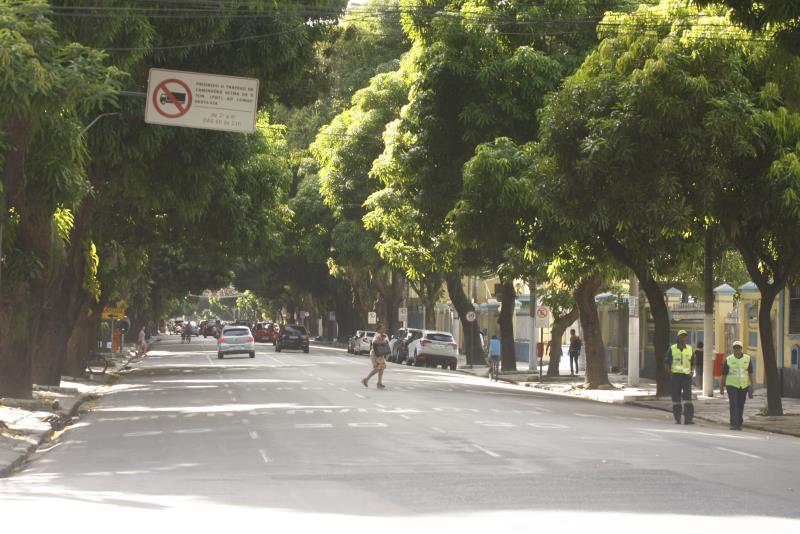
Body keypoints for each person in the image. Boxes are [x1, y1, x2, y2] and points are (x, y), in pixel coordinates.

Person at [720, 340, 754, 431]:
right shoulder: (729, 359)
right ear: (733, 349)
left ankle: (739, 423)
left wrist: (752, 385)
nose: (737, 350)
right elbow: (723, 374)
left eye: (738, 348)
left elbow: (750, 373)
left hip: (743, 385)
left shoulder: (747, 358)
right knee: (734, 403)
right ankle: (734, 424)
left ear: (741, 349)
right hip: (731, 385)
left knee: (741, 404)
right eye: (735, 348)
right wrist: (721, 387)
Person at [665, 329, 694, 424]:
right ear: (678, 337)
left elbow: (693, 362)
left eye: (685, 336)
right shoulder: (672, 348)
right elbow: (666, 362)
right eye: (681, 336)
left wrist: (691, 372)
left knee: (688, 398)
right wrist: (670, 373)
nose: (683, 338)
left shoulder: (690, 349)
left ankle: (688, 419)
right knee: (676, 398)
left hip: (686, 377)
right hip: (676, 376)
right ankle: (677, 418)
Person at [362, 323, 388, 389]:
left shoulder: (382, 335)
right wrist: (382, 342)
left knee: (381, 368)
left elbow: (386, 341)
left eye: (384, 328)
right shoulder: (377, 335)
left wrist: (384, 340)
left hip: (379, 354)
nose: (384, 329)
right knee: (377, 368)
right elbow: (374, 342)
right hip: (375, 353)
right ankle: (366, 380)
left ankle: (379, 383)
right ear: (379, 329)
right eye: (382, 328)